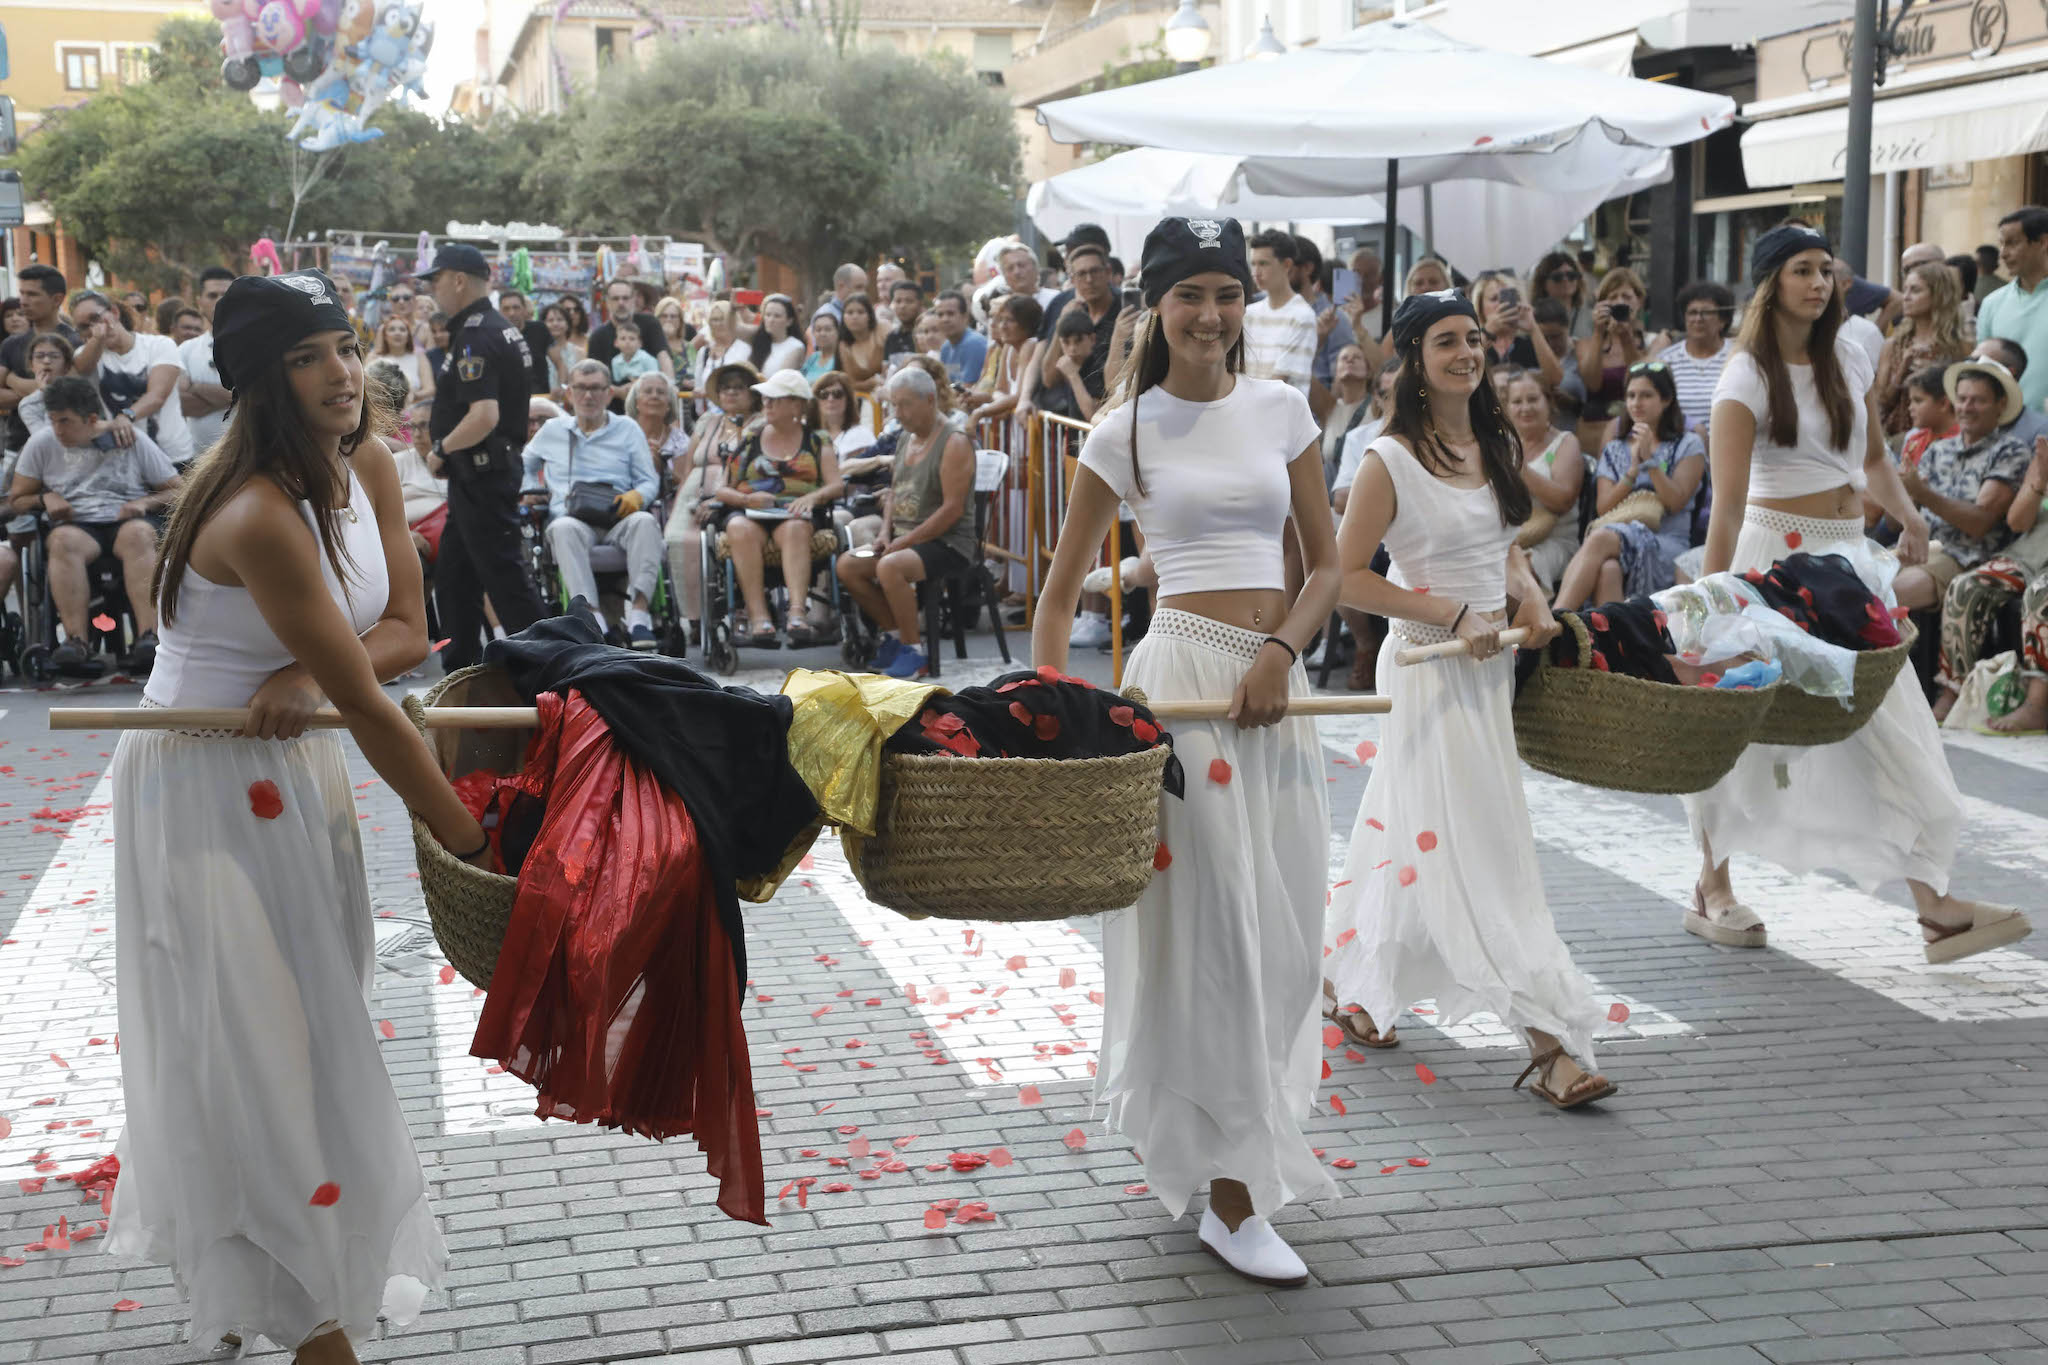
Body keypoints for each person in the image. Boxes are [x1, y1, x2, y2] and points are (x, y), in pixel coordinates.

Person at [111, 269, 487, 1362]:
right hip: (202, 776)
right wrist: (468, 842)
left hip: (295, 760)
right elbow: (375, 701)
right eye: (309, 357)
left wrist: (313, 685)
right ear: (262, 383)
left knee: (315, 1029)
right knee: (254, 1046)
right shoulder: (256, 512)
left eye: (346, 346)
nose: (342, 373)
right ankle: (309, 1317)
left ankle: (253, 1281)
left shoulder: (365, 458)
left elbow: (412, 629)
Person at [1031, 217, 1340, 1286]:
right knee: (1220, 944)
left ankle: (1235, 1155)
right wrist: (1050, 715)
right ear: (1152, 308)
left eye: (1226, 292)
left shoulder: (1282, 409)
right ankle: (1230, 1196)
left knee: (1291, 937)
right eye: (1188, 296)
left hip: (1270, 695)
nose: (1210, 315)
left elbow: (1324, 568)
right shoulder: (1122, 430)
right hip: (1178, 697)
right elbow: (1062, 586)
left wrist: (1275, 654)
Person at [1683, 222, 2031, 964]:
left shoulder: (1850, 351)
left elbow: (1872, 454)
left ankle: (1935, 906)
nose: (1820, 283)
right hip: (1773, 560)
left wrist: (1906, 516)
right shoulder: (1744, 376)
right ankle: (1711, 883)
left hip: (1849, 563)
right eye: (1803, 270)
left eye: (1826, 270)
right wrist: (1717, 595)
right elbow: (1730, 503)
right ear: (1770, 280)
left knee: (1893, 724)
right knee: (1739, 725)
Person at [1325, 286, 1610, 1110]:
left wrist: (1528, 600)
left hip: (1486, 667)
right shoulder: (1388, 460)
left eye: (1475, 339)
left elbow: (1505, 548)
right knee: (1483, 849)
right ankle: (1550, 1043)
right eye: (1447, 340)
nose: (1467, 352)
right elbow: (1346, 578)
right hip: (1428, 662)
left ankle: (1352, 977)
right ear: (1413, 358)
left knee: (1414, 825)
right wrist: (1448, 609)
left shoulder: (1495, 443)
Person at [420, 242, 545, 672]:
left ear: (458, 279)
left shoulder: (477, 334)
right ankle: (462, 673)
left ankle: (555, 670)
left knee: (506, 581)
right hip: (476, 476)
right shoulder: (491, 327)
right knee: (454, 582)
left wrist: (441, 448)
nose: (433, 290)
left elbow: (484, 415)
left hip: (483, 472)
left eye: (435, 280)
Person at [6, 374, 181, 672]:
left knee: (140, 534)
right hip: (76, 522)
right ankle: (76, 641)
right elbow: (17, 499)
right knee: (62, 542)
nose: (57, 429)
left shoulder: (130, 437)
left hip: (125, 517)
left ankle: (149, 636)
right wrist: (43, 499)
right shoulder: (42, 443)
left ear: (90, 419)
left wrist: (144, 502)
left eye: (65, 421)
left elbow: (179, 488)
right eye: (53, 420)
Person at [834, 365, 975, 679]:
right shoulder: (904, 439)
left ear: (929, 400)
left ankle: (915, 651)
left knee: (890, 566)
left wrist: (904, 542)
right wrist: (885, 533)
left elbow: (952, 510)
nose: (896, 413)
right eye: (893, 405)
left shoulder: (954, 441)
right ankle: (896, 636)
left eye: (904, 404)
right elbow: (894, 493)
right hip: (906, 537)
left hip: (948, 542)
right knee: (847, 565)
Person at [520, 359, 662, 647]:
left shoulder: (627, 429)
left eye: (596, 388)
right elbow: (520, 465)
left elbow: (649, 481)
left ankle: (639, 617)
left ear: (609, 393)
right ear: (569, 393)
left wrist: (638, 496)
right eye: (581, 388)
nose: (588, 395)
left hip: (619, 517)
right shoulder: (553, 430)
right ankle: (593, 621)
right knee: (562, 528)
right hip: (574, 519)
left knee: (647, 521)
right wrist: (527, 489)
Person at [1552, 362, 1705, 608]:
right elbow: (1604, 507)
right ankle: (1613, 644)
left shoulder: (1689, 444)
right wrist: (1632, 472)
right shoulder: (1615, 447)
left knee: (1600, 538)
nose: (1636, 403)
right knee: (1609, 569)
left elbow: (1676, 502)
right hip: (1618, 538)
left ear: (1666, 400)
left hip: (1667, 542)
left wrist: (1652, 463)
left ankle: (1555, 622)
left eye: (1646, 395)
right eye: (1631, 395)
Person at [707, 369, 841, 648]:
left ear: (796, 404)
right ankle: (759, 618)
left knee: (794, 527)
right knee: (738, 528)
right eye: (765, 398)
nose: (765, 404)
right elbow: (721, 488)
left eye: (774, 399)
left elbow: (836, 486)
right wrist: (746, 500)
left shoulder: (816, 440)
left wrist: (813, 498)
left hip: (796, 514)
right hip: (750, 512)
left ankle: (796, 613)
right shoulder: (750, 438)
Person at [1894, 360, 2029, 624]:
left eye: (1978, 400)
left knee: (1890, 593)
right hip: (1921, 547)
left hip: (1966, 558)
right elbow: (1895, 519)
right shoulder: (1938, 449)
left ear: (2000, 406)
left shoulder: (2011, 451)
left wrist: (1921, 492)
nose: (1966, 408)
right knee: (1857, 579)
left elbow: (1979, 523)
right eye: (1963, 399)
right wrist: (1902, 492)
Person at [1939, 432, 2048, 733]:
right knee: (1966, 587)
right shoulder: (2044, 453)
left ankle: (2037, 704)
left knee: (2041, 594)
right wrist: (2040, 478)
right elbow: (2018, 522)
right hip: (2032, 550)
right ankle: (1954, 689)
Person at [665, 360, 760, 640]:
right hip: (695, 489)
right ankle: (694, 618)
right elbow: (688, 465)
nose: (731, 393)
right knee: (677, 538)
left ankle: (738, 608)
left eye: (738, 388)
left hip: (737, 492)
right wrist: (684, 495)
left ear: (752, 392)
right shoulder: (708, 421)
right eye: (725, 388)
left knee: (720, 542)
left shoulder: (760, 423)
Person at [71, 291, 194, 467]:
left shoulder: (159, 345)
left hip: (172, 455)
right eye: (84, 326)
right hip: (125, 459)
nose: (94, 328)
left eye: (96, 318)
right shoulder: (87, 354)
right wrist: (97, 339)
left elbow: (157, 396)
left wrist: (126, 416)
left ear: (114, 312)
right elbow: (82, 369)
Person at [1504, 368, 1585, 593]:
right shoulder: (1504, 443)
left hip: (1554, 542)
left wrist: (1520, 467)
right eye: (1517, 402)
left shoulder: (1565, 442)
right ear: (1507, 408)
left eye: (1532, 399)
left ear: (1548, 402)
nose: (1525, 408)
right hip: (1511, 542)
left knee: (1513, 578)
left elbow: (1562, 501)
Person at [1020, 242, 1121, 420]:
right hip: (1076, 432)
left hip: (1111, 424)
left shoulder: (1124, 313)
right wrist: (1061, 325)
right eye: (1082, 274)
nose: (1089, 280)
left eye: (1095, 271)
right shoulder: (1069, 310)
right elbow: (1049, 378)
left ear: (1107, 272)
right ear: (1072, 280)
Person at [1875, 261, 1970, 437]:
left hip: (1946, 437)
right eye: (1905, 290)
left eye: (1916, 290)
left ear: (1939, 295)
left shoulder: (1959, 345)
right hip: (1899, 437)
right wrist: (1903, 370)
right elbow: (1881, 400)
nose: (1906, 297)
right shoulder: (1894, 344)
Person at [1572, 267, 1649, 459]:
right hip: (1593, 434)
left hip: (1636, 434)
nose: (1619, 302)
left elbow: (1642, 377)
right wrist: (1598, 332)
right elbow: (1592, 383)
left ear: (1639, 302)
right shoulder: (1585, 344)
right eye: (1613, 297)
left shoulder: (1652, 341)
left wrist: (1626, 338)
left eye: (1626, 296)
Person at [1977, 206, 2048, 413]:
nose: (2003, 254)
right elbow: (1982, 370)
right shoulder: (1992, 304)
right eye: (2001, 244)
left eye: (2012, 243)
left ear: (2043, 242)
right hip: (2002, 429)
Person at [3, 266, 79, 455]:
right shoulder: (11, 344)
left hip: (64, 448)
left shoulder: (75, 343)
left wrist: (12, 380)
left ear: (57, 299)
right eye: (21, 293)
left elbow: (66, 391)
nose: (23, 301)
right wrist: (41, 390)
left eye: (32, 294)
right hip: (17, 446)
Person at [1655, 281, 1736, 437]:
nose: (1698, 319)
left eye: (1706, 312)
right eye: (1692, 312)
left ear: (1723, 320)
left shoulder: (1739, 357)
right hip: (1680, 451)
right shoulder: (1666, 360)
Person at [1242, 229, 1317, 395]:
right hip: (1245, 409)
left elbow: (1281, 380)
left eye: (1263, 264)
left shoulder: (1302, 316)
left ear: (1287, 265)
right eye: (1253, 264)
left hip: (1283, 414)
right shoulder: (1249, 314)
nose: (1256, 272)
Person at [1472, 272, 1563, 389]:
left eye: (1509, 298)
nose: (1502, 304)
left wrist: (1533, 328)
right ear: (1480, 306)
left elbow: (1556, 379)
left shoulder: (1531, 341)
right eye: (1494, 299)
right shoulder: (1475, 341)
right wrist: (1487, 332)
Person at [961, 293, 1042, 422]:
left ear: (1027, 324)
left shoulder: (1030, 344)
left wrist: (981, 412)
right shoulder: (1008, 347)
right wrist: (1002, 402)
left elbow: (1018, 397)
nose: (1002, 326)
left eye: (1010, 320)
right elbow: (999, 391)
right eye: (1001, 320)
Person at [586, 277, 675, 393]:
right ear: (607, 302)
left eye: (625, 298)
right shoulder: (598, 336)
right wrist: (618, 391)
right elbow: (594, 376)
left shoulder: (650, 323)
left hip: (651, 398)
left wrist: (670, 385)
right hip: (614, 404)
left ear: (633, 300)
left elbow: (663, 355)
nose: (621, 303)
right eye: (615, 299)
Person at [1036, 308, 1104, 422]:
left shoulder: (1098, 366)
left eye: (1078, 341)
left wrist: (1073, 375)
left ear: (1092, 339)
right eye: (1066, 342)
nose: (1072, 348)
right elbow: (1047, 380)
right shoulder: (1071, 365)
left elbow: (1092, 414)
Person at [371, 311, 436, 429]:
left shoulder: (419, 357)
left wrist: (413, 395)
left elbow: (430, 389)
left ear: (408, 335)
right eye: (392, 329)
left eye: (402, 329)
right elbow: (368, 389)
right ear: (385, 335)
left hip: (413, 419)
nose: (397, 333)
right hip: (382, 420)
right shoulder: (375, 358)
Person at [497, 287, 555, 396]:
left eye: (516, 307)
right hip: (507, 397)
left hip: (540, 396)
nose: (512, 313)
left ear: (524, 309)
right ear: (499, 311)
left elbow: (559, 362)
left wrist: (561, 387)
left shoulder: (539, 329)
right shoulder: (494, 336)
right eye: (506, 309)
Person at [813, 370, 876, 460]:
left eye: (837, 394)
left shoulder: (861, 435)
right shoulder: (809, 435)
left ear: (848, 400)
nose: (830, 399)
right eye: (824, 394)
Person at [1533, 250, 1593, 338]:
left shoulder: (1590, 317)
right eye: (1557, 277)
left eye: (1571, 275)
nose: (1565, 280)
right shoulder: (1533, 318)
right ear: (1542, 283)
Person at [934, 290, 988, 388]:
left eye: (950, 314)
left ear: (965, 317)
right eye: (940, 315)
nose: (945, 319)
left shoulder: (974, 344)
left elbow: (968, 388)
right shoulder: (945, 348)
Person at [748, 294, 806, 377]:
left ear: (789, 321)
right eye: (768, 315)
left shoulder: (795, 346)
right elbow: (734, 330)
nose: (771, 320)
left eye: (777, 316)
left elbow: (781, 379)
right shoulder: (759, 341)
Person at [838, 294, 888, 386]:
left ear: (869, 315)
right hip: (863, 396)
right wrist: (871, 383)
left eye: (860, 312)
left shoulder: (882, 329)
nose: (855, 317)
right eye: (849, 312)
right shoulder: (844, 345)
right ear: (843, 317)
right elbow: (850, 383)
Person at [607, 320, 660, 402]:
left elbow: (656, 380)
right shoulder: (615, 361)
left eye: (632, 339)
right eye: (623, 338)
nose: (627, 342)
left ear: (639, 343)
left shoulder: (647, 359)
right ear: (616, 343)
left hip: (646, 394)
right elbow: (617, 382)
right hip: (624, 397)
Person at [539, 302, 583, 399]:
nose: (555, 324)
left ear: (567, 324)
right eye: (550, 320)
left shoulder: (579, 352)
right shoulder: (538, 352)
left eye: (560, 320)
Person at [803, 308, 844, 383]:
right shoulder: (813, 358)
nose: (822, 334)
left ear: (838, 332)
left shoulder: (842, 358)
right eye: (818, 330)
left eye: (828, 329)